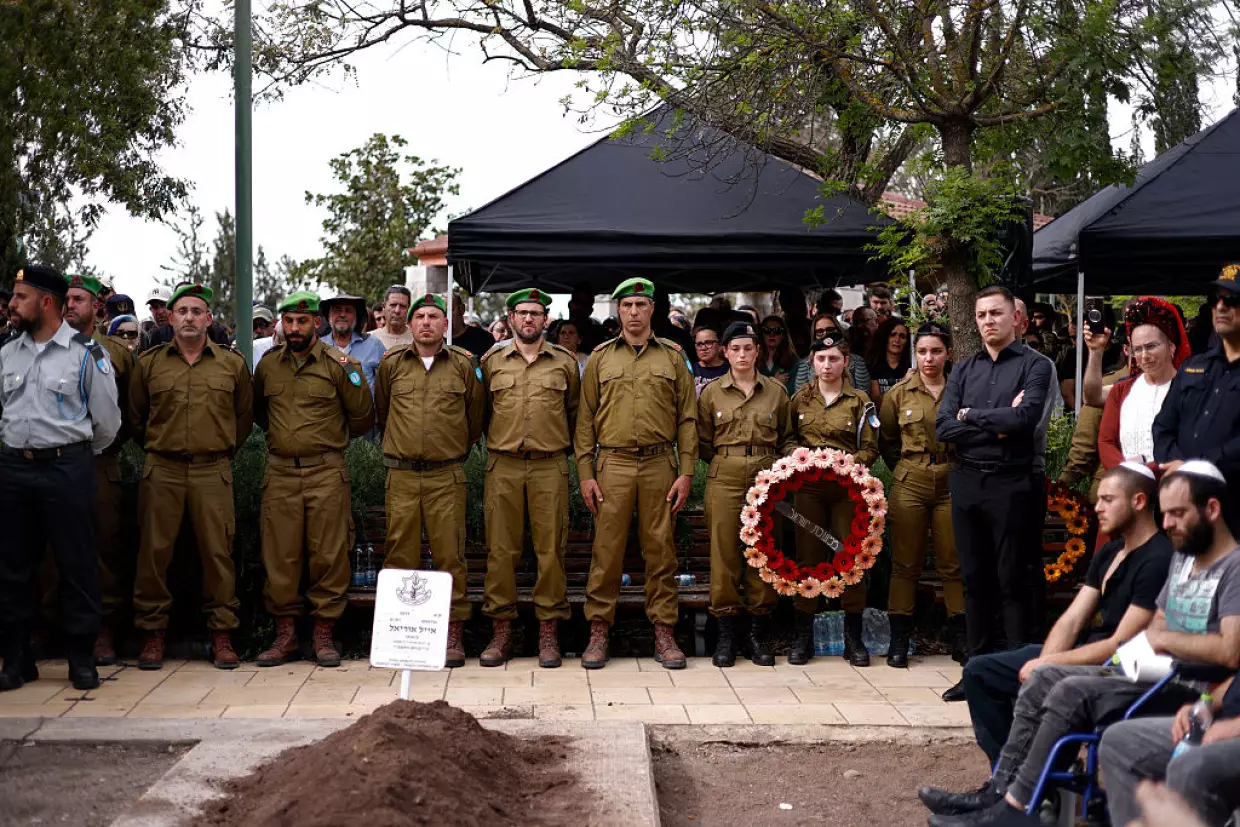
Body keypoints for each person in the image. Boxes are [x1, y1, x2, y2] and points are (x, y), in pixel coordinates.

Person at [921, 462, 1240, 827]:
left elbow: (1229, 650)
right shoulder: (1184, 561)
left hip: (1188, 686)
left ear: (1212, 509)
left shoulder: (1232, 568)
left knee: (1071, 690)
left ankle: (1018, 808)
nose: (1167, 524)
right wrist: (1154, 641)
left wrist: (1163, 640)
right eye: (1166, 514)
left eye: (1177, 514)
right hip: (1153, 670)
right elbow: (1149, 626)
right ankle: (1005, 794)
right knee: (1041, 677)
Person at [952, 463, 1172, 765]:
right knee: (979, 672)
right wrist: (1045, 663)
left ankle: (1028, 783)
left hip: (1120, 665)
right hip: (1087, 649)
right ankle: (1010, 776)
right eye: (1099, 499)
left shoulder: (1159, 558)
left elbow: (1121, 644)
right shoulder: (1110, 552)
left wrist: (1047, 665)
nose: (1098, 508)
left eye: (1108, 500)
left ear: (1139, 501)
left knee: (1044, 677)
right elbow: (1071, 621)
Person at [0, 265, 120, 692]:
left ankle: (81, 659)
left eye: (19, 297)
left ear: (45, 302)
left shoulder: (87, 353)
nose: (12, 305)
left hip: (66, 466)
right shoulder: (7, 353)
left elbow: (107, 422)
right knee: (13, 567)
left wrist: (72, 457)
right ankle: (17, 659)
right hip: (15, 467)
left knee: (77, 564)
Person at [935, 286, 1052, 701]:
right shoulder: (964, 369)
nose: (988, 320)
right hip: (967, 481)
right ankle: (977, 671)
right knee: (974, 579)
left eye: (996, 313)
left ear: (1015, 319)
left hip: (1013, 482)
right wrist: (992, 422)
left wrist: (971, 416)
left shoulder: (1036, 366)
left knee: (1012, 578)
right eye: (981, 314)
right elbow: (943, 426)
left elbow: (1023, 421)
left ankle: (1021, 674)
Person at [575, 277, 697, 670]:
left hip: (661, 464)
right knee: (606, 551)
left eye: (640, 305)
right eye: (626, 305)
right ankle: (598, 631)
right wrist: (586, 474)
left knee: (660, 551)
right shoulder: (601, 358)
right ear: (618, 310)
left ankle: (664, 632)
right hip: (614, 464)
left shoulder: (673, 357)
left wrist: (687, 472)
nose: (633, 312)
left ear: (652, 310)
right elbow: (585, 421)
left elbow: (687, 419)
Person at [129, 283, 252, 671]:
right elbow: (135, 417)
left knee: (219, 554)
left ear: (208, 319)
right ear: (169, 316)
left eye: (197, 312)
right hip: (162, 467)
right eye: (181, 311)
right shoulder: (149, 363)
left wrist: (218, 448)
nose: (189, 318)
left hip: (211, 468)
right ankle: (152, 635)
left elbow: (243, 419)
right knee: (153, 554)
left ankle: (222, 636)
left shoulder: (231, 365)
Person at [251, 292, 374, 668]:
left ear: (315, 325)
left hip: (325, 472)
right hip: (281, 472)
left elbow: (363, 417)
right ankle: (285, 635)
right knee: (280, 556)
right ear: (281, 325)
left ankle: (324, 634)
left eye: (302, 322)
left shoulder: (342, 365)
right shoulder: (269, 365)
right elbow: (259, 412)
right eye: (288, 322)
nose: (295, 329)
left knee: (329, 555)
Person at [374, 293, 483, 668]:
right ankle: (403, 634)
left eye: (433, 316)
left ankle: (453, 632)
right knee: (400, 555)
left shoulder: (464, 366)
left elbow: (475, 419)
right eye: (419, 316)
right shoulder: (392, 365)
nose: (425, 322)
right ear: (410, 323)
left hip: (445, 475)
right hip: (401, 475)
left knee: (450, 554)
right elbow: (382, 409)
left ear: (445, 325)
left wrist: (452, 449)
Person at [478, 288, 579, 668]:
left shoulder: (564, 363)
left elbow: (575, 415)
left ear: (546, 320)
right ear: (510, 318)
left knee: (550, 551)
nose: (529, 319)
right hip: (502, 465)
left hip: (549, 465)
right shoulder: (492, 361)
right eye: (522, 313)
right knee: (501, 551)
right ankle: (501, 633)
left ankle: (548, 634)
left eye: (536, 313)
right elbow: (479, 414)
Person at [698, 321, 794, 667]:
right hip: (724, 475)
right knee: (724, 554)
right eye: (735, 348)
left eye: (748, 348)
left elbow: (787, 436)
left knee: (763, 551)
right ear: (725, 351)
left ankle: (758, 631)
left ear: (757, 351)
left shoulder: (775, 392)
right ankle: (726, 633)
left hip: (766, 477)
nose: (742, 354)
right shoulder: (711, 393)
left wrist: (779, 468)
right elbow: (703, 442)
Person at [788, 331, 880, 666]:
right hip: (808, 490)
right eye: (821, 359)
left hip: (847, 492)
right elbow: (786, 440)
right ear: (812, 362)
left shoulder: (860, 402)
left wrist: (849, 465)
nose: (827, 364)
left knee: (850, 557)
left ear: (846, 362)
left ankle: (853, 638)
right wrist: (800, 458)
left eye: (834, 358)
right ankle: (803, 637)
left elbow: (871, 448)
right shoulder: (798, 400)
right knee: (807, 558)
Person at [879, 322, 966, 669]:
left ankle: (961, 637)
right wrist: (904, 467)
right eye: (923, 352)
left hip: (951, 478)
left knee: (952, 562)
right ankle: (899, 639)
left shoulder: (961, 391)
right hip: (910, 479)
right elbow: (885, 439)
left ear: (948, 354)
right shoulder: (899, 393)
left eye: (936, 351)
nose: (929, 358)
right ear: (915, 355)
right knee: (905, 563)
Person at [63, 274, 135, 665]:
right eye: (67, 299)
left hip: (100, 461)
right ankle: (46, 627)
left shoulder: (115, 354)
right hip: (50, 463)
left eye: (79, 299)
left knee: (103, 546)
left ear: (97, 308)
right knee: (47, 550)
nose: (70, 305)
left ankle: (104, 630)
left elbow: (132, 409)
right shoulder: (37, 349)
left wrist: (111, 446)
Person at [1100, 671, 1240, 827]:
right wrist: (1205, 703)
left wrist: (1235, 726)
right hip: (1222, 719)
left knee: (1190, 768)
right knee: (1118, 741)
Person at [1154, 264, 1240, 507]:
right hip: (1185, 505)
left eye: (1232, 299)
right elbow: (1162, 426)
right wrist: (1178, 467)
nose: (1221, 307)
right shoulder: (1195, 365)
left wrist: (1194, 468)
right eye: (1215, 299)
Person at [1093, 297, 1190, 471]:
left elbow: (1188, 445)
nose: (1144, 356)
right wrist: (1126, 472)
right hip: (1126, 486)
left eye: (1151, 346)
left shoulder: (1190, 391)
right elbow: (1106, 441)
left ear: (1171, 346)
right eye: (1137, 349)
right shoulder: (1121, 390)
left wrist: (1145, 471)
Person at [321, 293, 386, 393]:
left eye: (348, 310)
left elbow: (389, 380)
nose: (342, 315)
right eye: (337, 310)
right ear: (329, 315)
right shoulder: (319, 346)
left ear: (356, 316)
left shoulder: (373, 344)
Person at [792, 313, 871, 393]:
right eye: (820, 331)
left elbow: (863, 395)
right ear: (814, 335)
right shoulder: (805, 364)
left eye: (830, 330)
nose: (825, 334)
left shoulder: (856, 361)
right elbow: (801, 396)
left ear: (839, 330)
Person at [866, 316, 911, 410]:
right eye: (892, 335)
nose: (897, 340)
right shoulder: (874, 364)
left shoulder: (911, 365)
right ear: (885, 337)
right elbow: (877, 402)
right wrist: (903, 384)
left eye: (902, 336)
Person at [449, 291, 499, 358]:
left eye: (449, 310)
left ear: (461, 309)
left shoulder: (484, 338)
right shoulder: (433, 340)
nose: (444, 315)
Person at [758, 314, 797, 391]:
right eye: (767, 330)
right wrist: (775, 382)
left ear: (783, 335)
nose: (772, 334)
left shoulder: (793, 361)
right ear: (762, 334)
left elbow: (792, 393)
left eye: (777, 330)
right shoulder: (753, 360)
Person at [567, 281, 608, 352]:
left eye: (586, 304)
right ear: (570, 304)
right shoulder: (557, 329)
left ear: (591, 309)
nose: (581, 307)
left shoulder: (598, 333)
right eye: (578, 302)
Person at [371, 285, 414, 350]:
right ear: (383, 307)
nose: (397, 311)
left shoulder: (417, 340)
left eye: (402, 306)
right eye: (393, 305)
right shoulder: (370, 339)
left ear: (408, 309)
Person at [691, 324, 728, 396]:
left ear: (719, 345)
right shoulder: (689, 370)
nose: (703, 348)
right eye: (699, 344)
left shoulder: (730, 370)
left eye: (708, 343)